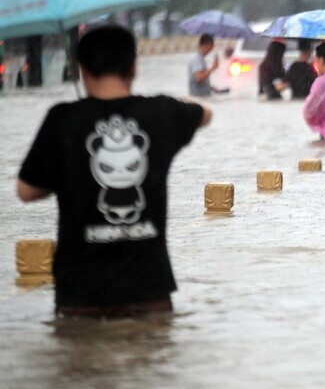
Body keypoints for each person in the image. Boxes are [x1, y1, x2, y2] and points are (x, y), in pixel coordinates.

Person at [16, 25, 212, 319]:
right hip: (149, 293)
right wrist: (171, 99)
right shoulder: (161, 113)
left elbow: (26, 191)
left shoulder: (63, 119)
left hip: (81, 295)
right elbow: (205, 114)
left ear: (81, 69)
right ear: (133, 67)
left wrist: (70, 171)